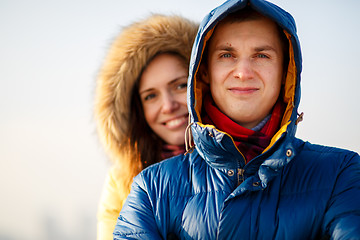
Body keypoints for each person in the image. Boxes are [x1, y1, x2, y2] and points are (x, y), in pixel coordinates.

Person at [113, 0, 360, 239]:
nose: (243, 72)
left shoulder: (340, 173)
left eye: (261, 55)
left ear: (287, 72)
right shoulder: (152, 189)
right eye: (227, 55)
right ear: (205, 71)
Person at [94, 14, 198, 240]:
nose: (168, 106)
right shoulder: (121, 183)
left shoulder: (245, 159)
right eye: (151, 96)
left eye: (180, 85)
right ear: (137, 111)